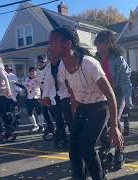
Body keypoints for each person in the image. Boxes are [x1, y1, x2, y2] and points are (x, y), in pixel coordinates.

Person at [49, 26, 124, 180]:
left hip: (99, 106)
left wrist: (114, 126)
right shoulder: (62, 66)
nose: (50, 46)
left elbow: (110, 95)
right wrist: (76, 112)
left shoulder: (89, 64)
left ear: (68, 44)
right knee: (73, 150)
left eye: (54, 42)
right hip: (83, 107)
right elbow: (72, 91)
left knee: (86, 148)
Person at [94, 30, 132, 170]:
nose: (99, 46)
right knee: (101, 122)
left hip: (117, 93)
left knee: (114, 121)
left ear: (109, 43)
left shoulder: (118, 59)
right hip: (101, 95)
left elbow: (126, 79)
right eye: (97, 43)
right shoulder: (95, 60)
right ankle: (105, 146)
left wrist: (128, 98)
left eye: (102, 42)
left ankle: (119, 150)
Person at [41, 52, 73, 149]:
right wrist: (45, 97)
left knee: (69, 118)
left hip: (66, 94)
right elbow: (47, 84)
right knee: (58, 119)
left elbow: (71, 78)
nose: (52, 57)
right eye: (50, 56)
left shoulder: (64, 64)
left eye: (54, 55)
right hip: (54, 96)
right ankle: (62, 138)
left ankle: (74, 138)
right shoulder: (48, 68)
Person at [37, 56, 55, 140]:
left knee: (53, 111)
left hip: (51, 93)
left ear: (45, 62)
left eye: (42, 62)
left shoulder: (48, 69)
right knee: (44, 111)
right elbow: (39, 84)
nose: (41, 63)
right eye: (40, 62)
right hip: (43, 93)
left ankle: (60, 125)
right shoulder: (37, 71)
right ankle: (50, 126)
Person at [24, 67, 46, 132]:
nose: (32, 73)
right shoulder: (26, 79)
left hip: (37, 97)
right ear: (29, 73)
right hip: (29, 98)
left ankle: (41, 126)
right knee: (30, 113)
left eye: (34, 72)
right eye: (31, 72)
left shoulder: (38, 79)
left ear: (36, 72)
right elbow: (24, 86)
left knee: (39, 112)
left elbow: (43, 86)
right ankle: (35, 125)